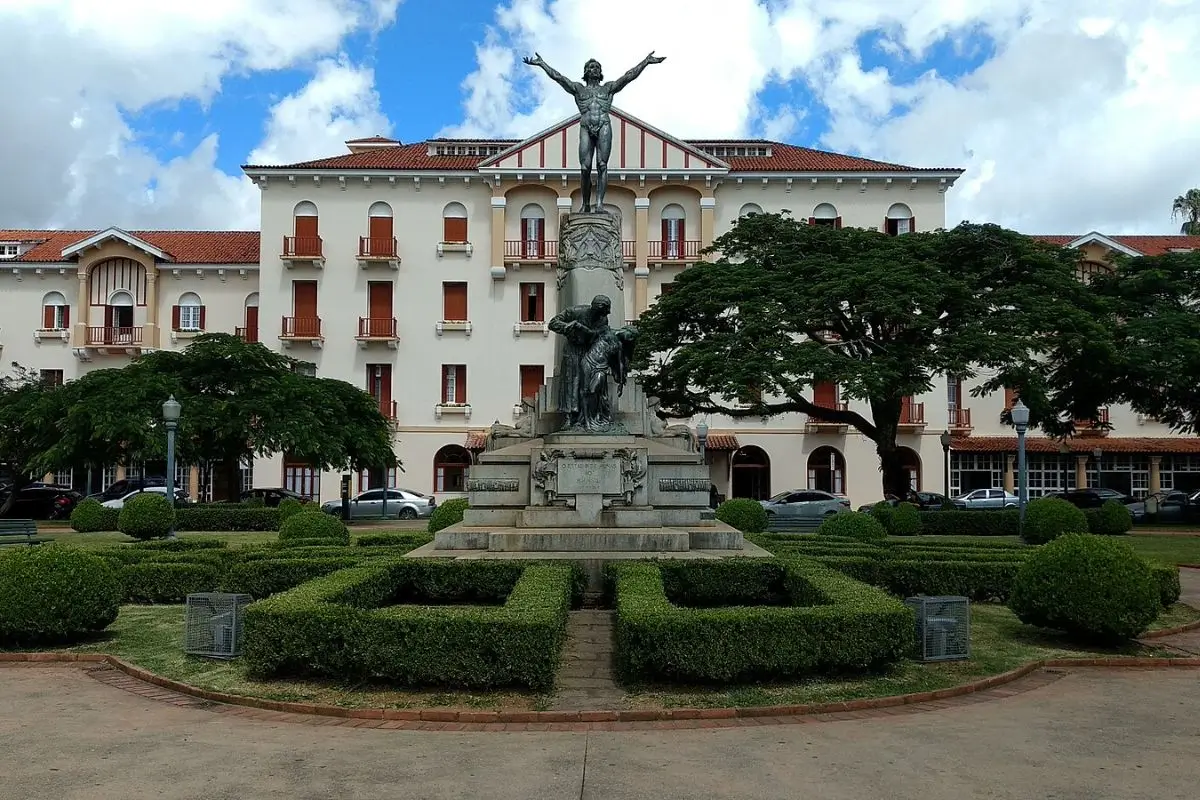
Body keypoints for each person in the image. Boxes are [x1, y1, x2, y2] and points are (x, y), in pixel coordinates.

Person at [523, 51, 666, 212]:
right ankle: (585, 204)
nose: (595, 69)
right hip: (585, 125)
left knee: (602, 165)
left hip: (604, 124)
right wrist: (542, 64)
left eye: (597, 67)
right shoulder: (578, 89)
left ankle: (599, 204)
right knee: (585, 167)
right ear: (586, 71)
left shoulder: (608, 89)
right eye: (592, 67)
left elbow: (629, 76)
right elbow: (559, 77)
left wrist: (645, 62)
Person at [547, 295, 612, 428]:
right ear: (596, 309)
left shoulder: (603, 319)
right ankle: (569, 417)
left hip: (589, 351)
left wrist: (581, 328)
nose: (606, 314)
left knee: (588, 385)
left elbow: (597, 335)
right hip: (572, 350)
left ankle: (587, 417)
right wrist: (567, 327)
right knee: (571, 382)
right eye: (604, 312)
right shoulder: (575, 311)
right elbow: (552, 323)